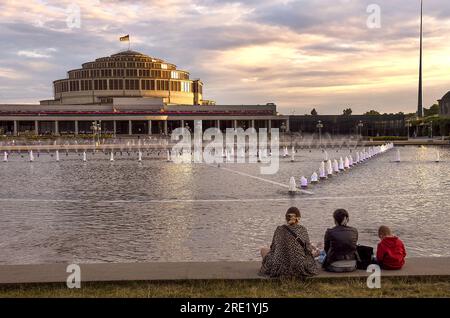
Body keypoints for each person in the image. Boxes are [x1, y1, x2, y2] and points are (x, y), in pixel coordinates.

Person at [259, 207, 318, 278]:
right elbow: (308, 250)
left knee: (263, 250)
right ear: (298, 218)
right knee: (310, 255)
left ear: (286, 218)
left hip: (279, 268)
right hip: (299, 268)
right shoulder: (303, 230)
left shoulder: (279, 229)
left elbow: (273, 249)